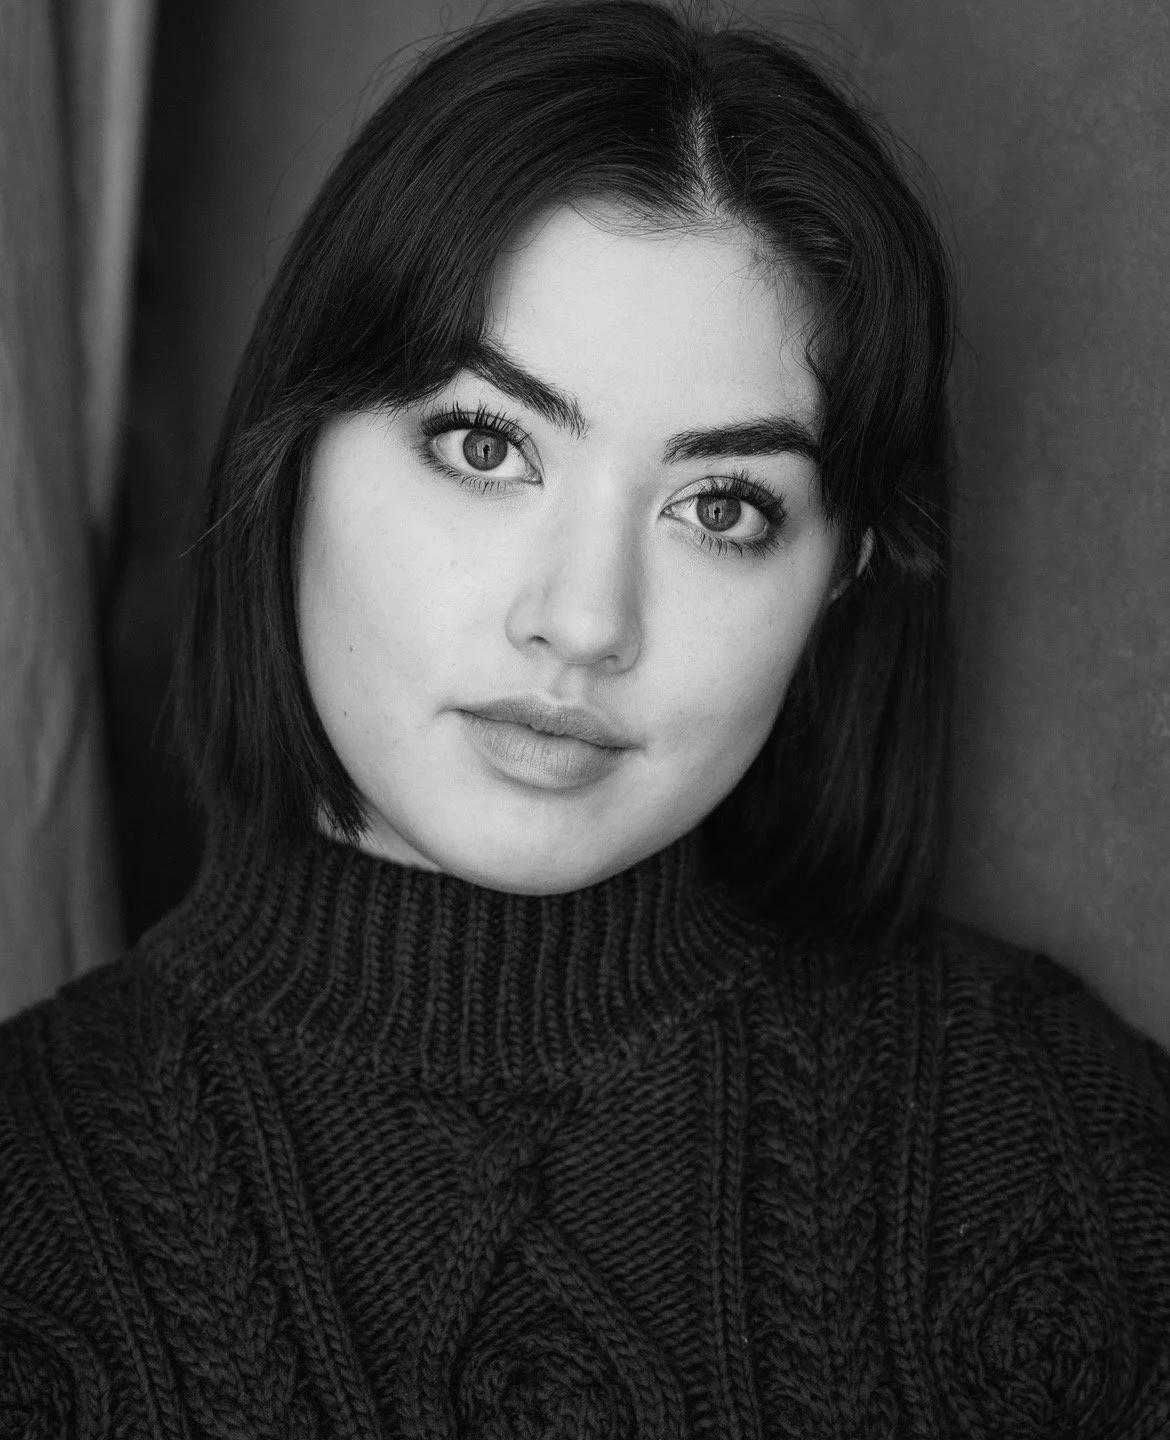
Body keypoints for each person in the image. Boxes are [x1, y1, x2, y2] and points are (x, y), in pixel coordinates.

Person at [2, 1, 1168, 1434]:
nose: (585, 620)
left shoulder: (1058, 1150)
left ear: (842, 576)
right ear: (291, 453)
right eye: (485, 444)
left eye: (720, 507)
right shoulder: (33, 1206)